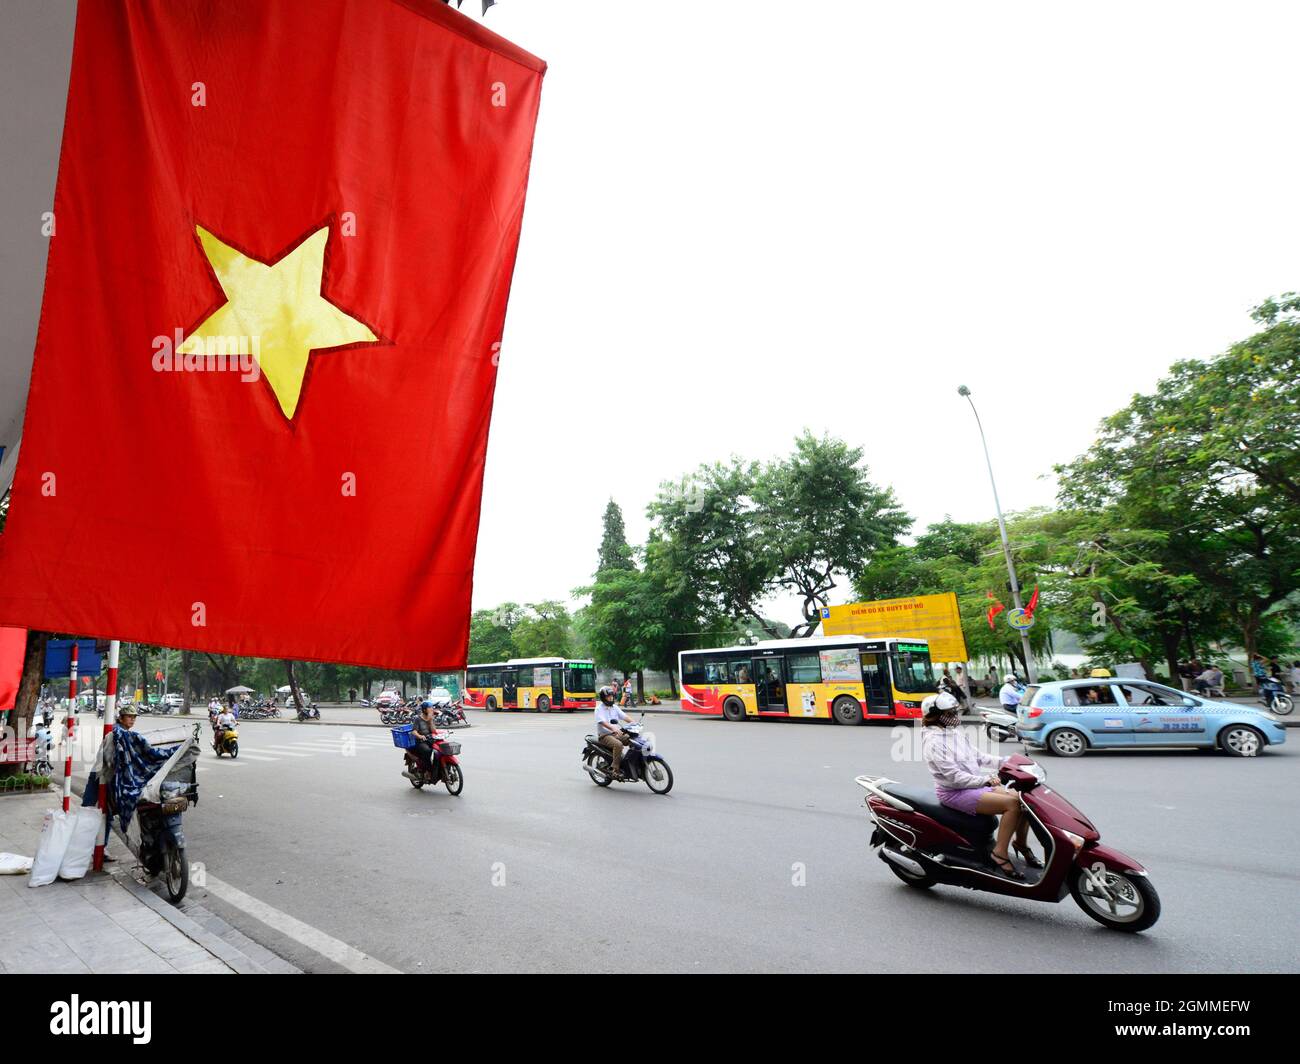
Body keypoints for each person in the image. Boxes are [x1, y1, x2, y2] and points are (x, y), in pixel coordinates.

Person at [920, 692, 1039, 879]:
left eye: (954, 712)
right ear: (936, 716)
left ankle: (1020, 844)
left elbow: (979, 757)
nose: (954, 716)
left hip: (973, 785)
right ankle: (999, 853)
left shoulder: (952, 732)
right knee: (1012, 805)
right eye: (949, 713)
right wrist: (984, 780)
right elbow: (954, 777)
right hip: (955, 793)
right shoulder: (934, 742)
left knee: (1023, 800)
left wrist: (1009, 762)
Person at [595, 684, 632, 777]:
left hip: (616, 733)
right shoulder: (599, 709)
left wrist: (634, 723)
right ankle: (615, 769)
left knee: (632, 739)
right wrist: (612, 728)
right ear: (603, 697)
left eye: (612, 696)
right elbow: (602, 722)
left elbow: (624, 716)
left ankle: (631, 762)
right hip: (604, 735)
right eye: (608, 696)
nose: (611, 698)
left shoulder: (614, 707)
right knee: (618, 745)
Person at [405, 702, 437, 780]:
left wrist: (430, 721)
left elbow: (434, 731)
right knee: (427, 751)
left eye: (432, 708)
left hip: (429, 739)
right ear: (424, 710)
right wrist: (420, 736)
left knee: (439, 750)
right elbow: (414, 731)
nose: (432, 710)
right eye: (430, 708)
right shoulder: (418, 719)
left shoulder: (431, 718)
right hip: (420, 741)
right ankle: (428, 771)